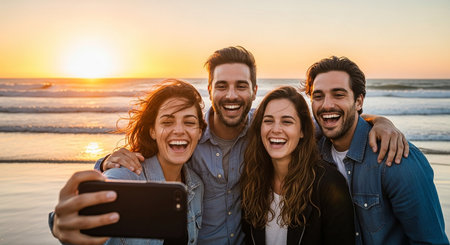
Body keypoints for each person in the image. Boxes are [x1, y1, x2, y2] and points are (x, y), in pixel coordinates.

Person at [94, 46, 409, 245]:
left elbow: (329, 119)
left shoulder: (266, 128)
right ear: (210, 90)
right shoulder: (189, 135)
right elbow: (147, 157)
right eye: (222, 86)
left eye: (241, 86)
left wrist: (378, 122)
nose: (231, 95)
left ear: (254, 90)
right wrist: (106, 161)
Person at [304, 56, 449, 244]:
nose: (326, 104)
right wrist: (380, 120)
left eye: (338, 95)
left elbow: (430, 241)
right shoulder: (313, 150)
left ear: (358, 102)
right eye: (318, 96)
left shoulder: (397, 158)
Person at [50, 79, 206, 245]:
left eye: (189, 122)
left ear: (199, 133)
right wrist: (61, 224)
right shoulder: (125, 176)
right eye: (167, 122)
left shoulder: (197, 185)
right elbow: (76, 220)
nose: (179, 130)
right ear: (152, 131)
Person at [240, 86, 355, 244]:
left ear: (302, 130)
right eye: (268, 121)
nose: (276, 129)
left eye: (287, 122)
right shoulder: (253, 179)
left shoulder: (329, 184)